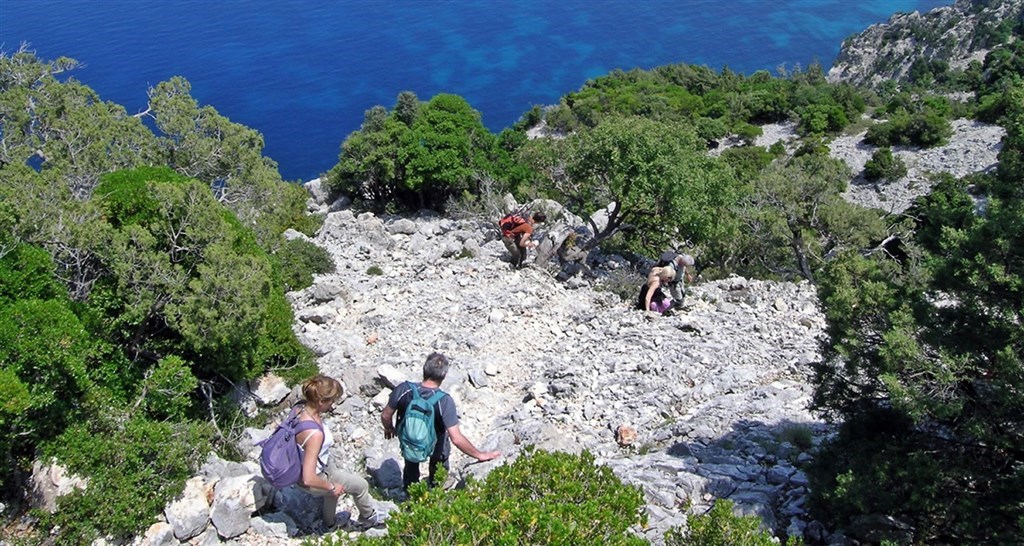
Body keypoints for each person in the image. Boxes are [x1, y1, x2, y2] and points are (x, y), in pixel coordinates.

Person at [381, 352, 501, 490]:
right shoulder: (444, 400)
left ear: (424, 369)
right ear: (443, 376)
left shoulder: (404, 389)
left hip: (410, 440)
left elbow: (385, 415)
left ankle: (411, 495)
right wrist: (479, 454)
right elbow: (456, 438)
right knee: (440, 459)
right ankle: (435, 490)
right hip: (436, 444)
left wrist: (389, 428)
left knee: (411, 461)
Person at [295, 375, 386, 530]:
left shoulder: (299, 410)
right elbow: (309, 478)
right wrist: (331, 487)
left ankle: (329, 524)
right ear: (321, 402)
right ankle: (369, 517)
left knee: (336, 483)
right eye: (331, 401)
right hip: (316, 475)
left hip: (312, 465)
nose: (333, 405)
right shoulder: (314, 434)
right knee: (361, 486)